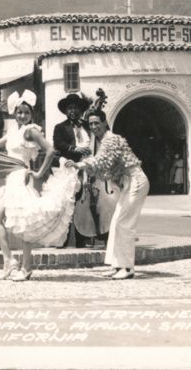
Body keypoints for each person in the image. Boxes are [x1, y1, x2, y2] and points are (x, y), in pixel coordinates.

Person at [0, 90, 78, 281]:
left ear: (31, 114)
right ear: (14, 113)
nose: (22, 116)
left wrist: (40, 172)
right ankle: (9, 261)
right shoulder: (13, 131)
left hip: (21, 175)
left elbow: (50, 150)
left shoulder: (30, 130)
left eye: (26, 112)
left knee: (24, 222)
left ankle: (26, 268)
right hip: (11, 179)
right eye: (19, 112)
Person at [66, 109, 149, 280]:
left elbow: (101, 160)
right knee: (116, 222)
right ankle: (117, 264)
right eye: (91, 124)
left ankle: (127, 267)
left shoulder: (111, 139)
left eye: (97, 123)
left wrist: (81, 165)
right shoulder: (104, 140)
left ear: (105, 123)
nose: (94, 126)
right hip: (127, 182)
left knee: (123, 224)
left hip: (136, 181)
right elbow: (104, 168)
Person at [52, 93, 96, 248]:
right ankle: (62, 239)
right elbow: (59, 144)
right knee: (69, 202)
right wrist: (75, 149)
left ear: (80, 109)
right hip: (70, 168)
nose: (72, 111)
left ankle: (83, 238)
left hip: (88, 166)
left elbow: (100, 134)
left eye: (76, 107)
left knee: (85, 203)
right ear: (65, 110)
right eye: (69, 108)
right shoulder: (60, 127)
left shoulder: (88, 125)